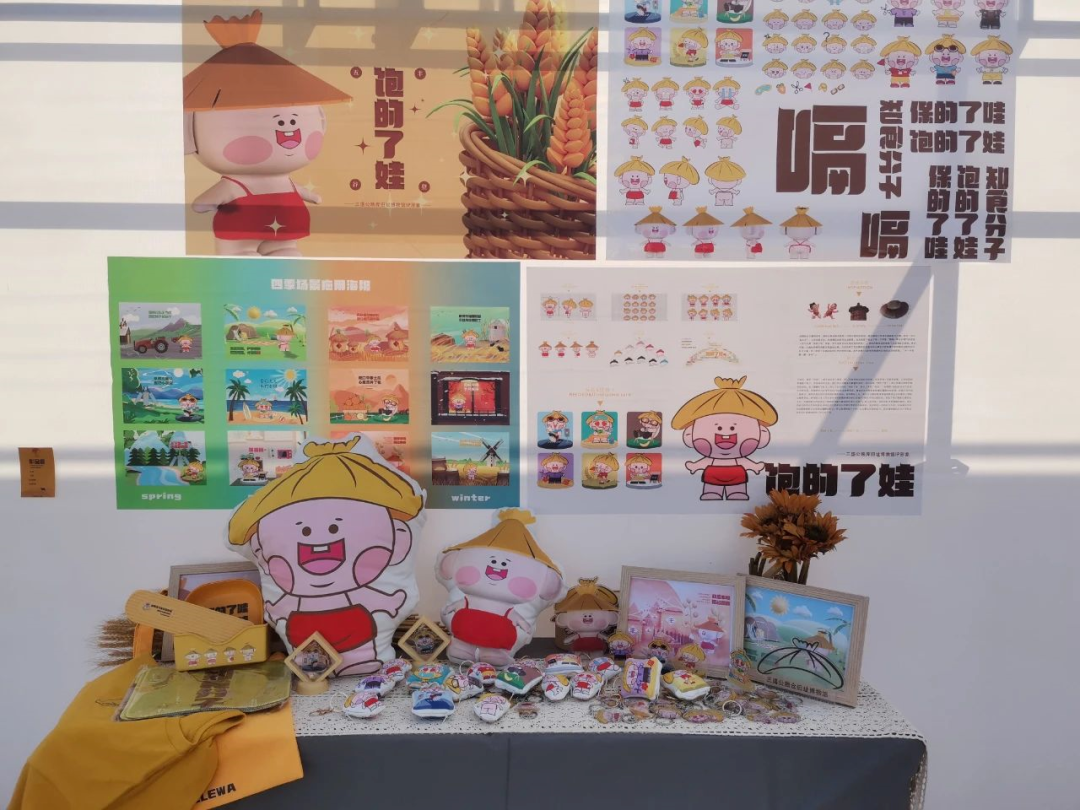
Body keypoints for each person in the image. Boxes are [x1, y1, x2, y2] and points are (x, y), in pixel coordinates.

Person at [184, 11, 351, 257]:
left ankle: (283, 255)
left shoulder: (284, 179)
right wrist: (205, 203)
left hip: (285, 233)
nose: (286, 127)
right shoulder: (233, 185)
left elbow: (295, 189)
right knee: (243, 262)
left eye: (295, 120)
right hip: (239, 236)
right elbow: (204, 202)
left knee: (286, 254)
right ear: (191, 131)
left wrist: (310, 195)